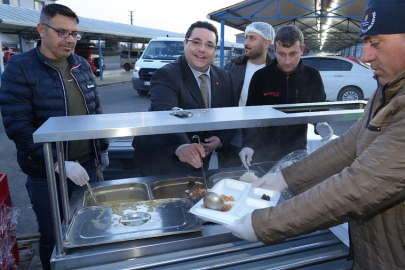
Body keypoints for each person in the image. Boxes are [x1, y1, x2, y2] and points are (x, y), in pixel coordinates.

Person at [224, 0, 405, 268]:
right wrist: (285, 177)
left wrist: (266, 224)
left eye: (375, 43)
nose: (365, 56)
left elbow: (360, 184)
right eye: (365, 42)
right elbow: (349, 144)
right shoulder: (387, 89)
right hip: (373, 249)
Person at [0, 4, 109, 269]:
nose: (70, 39)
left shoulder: (81, 65)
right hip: (46, 174)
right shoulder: (20, 68)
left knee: (90, 229)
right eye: (62, 32)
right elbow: (18, 127)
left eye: (74, 33)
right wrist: (58, 163)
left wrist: (102, 150)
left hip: (86, 168)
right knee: (54, 236)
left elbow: (95, 110)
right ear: (41, 29)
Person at [132, 21, 237, 176]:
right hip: (163, 161)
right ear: (185, 43)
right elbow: (165, 113)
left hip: (199, 163)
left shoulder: (224, 76)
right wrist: (181, 146)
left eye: (209, 45)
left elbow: (232, 113)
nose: (202, 49)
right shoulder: (167, 74)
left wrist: (220, 139)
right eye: (196, 42)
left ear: (215, 50)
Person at [239, 25, 333, 171]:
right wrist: (249, 144)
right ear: (274, 50)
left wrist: (321, 123)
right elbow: (251, 115)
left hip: (297, 150)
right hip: (263, 152)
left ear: (302, 49)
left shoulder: (312, 76)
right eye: (282, 54)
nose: (287, 61)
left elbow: (319, 108)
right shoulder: (261, 77)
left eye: (293, 54)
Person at [217, 22, 274, 168]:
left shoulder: (275, 72)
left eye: (252, 38)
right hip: (231, 138)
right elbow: (220, 103)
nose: (246, 43)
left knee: (256, 180)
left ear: (266, 43)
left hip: (263, 141)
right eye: (246, 38)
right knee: (227, 178)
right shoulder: (232, 67)